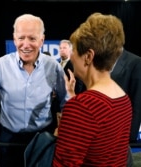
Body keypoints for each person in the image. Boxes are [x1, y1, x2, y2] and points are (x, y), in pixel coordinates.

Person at [0, 14, 68, 167]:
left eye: (32, 39)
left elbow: (65, 101)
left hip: (42, 139)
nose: (26, 45)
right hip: (8, 141)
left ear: (42, 40)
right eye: (21, 38)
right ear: (14, 39)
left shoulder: (54, 67)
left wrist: (63, 129)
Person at [52, 12, 132, 166]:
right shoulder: (123, 98)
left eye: (74, 49)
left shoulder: (82, 107)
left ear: (88, 56)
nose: (71, 56)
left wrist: (61, 134)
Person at [111, 49, 141, 143]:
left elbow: (137, 101)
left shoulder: (135, 61)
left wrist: (131, 137)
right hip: (102, 131)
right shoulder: (97, 59)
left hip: (122, 132)